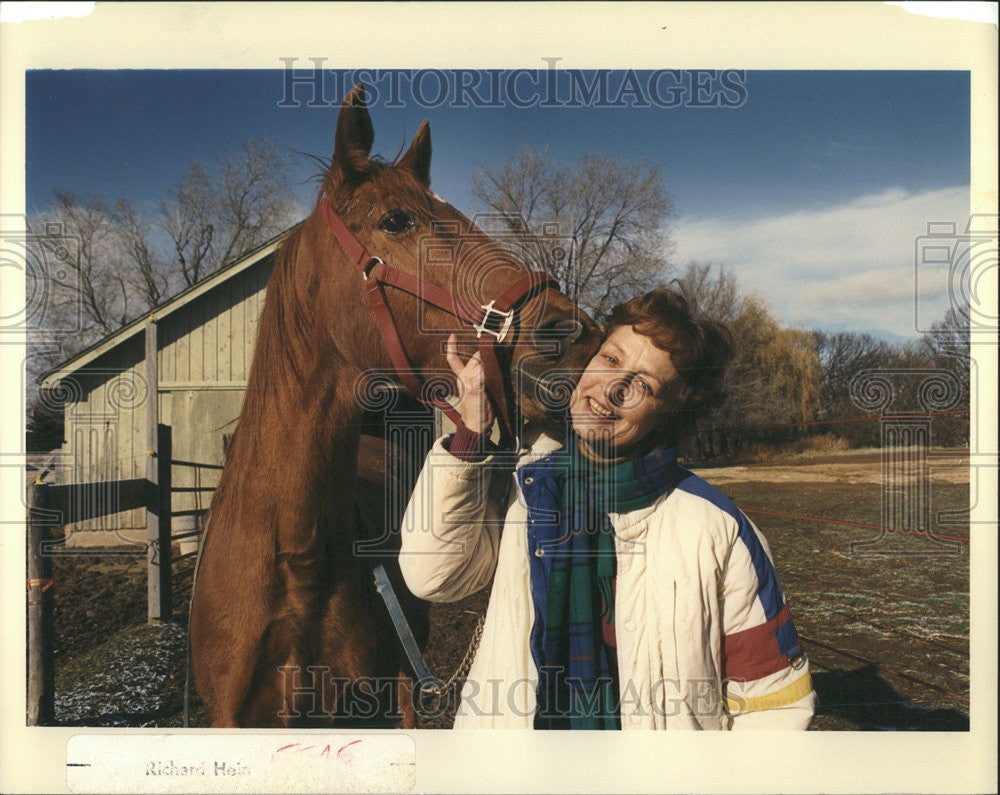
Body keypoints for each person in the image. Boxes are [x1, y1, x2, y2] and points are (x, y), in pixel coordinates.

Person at [399, 287, 815, 729]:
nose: (613, 388)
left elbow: (774, 708)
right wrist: (472, 432)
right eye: (611, 360)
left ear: (668, 412)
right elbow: (434, 576)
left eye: (644, 385)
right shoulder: (527, 488)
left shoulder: (717, 529)